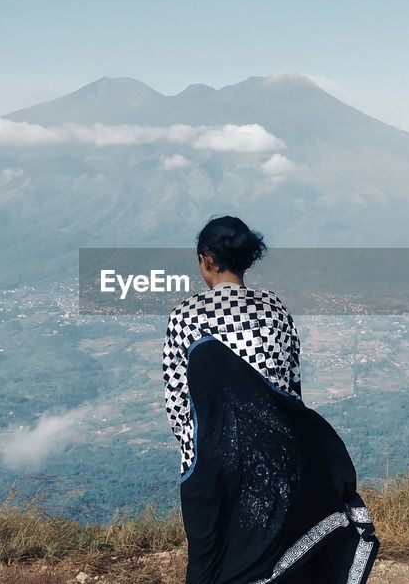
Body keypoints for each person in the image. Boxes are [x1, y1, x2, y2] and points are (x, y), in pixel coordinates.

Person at [162, 215, 379, 584]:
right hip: (278, 458)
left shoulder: (186, 316)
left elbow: (180, 406)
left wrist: (196, 465)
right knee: (280, 562)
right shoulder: (273, 308)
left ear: (206, 260)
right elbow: (291, 387)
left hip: (216, 463)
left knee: (214, 564)